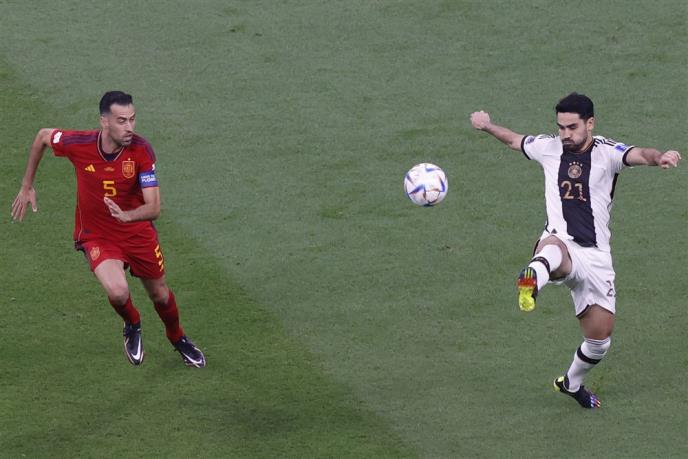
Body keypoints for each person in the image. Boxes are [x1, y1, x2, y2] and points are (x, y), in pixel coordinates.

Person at [470, 92, 681, 408]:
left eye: (572, 127)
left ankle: (570, 383)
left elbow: (640, 154)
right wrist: (487, 125)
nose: (565, 134)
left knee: (599, 341)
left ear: (590, 123)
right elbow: (515, 140)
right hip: (561, 244)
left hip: (596, 257)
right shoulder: (549, 148)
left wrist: (660, 156)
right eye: (561, 127)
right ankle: (532, 279)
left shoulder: (606, 153)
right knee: (552, 249)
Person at [12, 91, 206, 368]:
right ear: (104, 121)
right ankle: (132, 323)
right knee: (117, 292)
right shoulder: (80, 144)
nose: (129, 127)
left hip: (136, 233)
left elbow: (154, 207)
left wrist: (127, 216)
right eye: (121, 121)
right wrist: (26, 185)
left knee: (161, 295)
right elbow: (43, 136)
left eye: (132, 119)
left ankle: (177, 338)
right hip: (98, 235)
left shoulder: (141, 150)